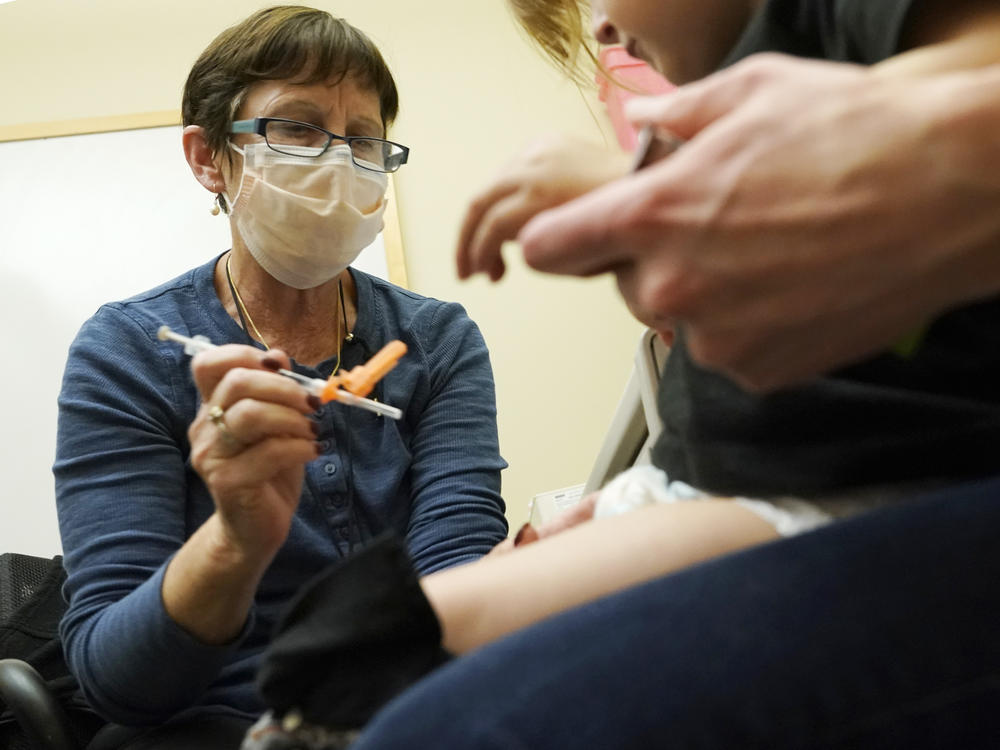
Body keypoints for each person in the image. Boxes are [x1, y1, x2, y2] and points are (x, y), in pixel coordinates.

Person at [341, 0, 1000, 746]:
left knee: (427, 727)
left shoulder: (833, 19)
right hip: (709, 487)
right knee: (362, 645)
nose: (597, 31)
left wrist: (640, 181)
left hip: (830, 493)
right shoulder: (743, 86)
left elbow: (943, 102)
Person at [53, 6, 508, 749]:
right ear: (209, 158)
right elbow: (119, 681)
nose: (337, 161)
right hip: (214, 721)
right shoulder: (129, 351)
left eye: (363, 137)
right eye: (296, 127)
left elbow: (455, 563)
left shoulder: (435, 339)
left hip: (414, 700)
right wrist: (235, 540)